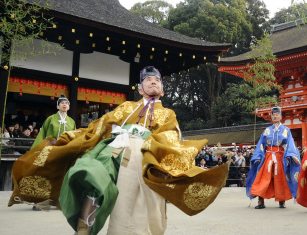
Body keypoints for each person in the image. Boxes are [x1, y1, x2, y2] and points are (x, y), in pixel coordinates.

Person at [8, 66, 229, 235]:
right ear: (140, 88)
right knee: (94, 174)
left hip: (146, 154)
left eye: (157, 80)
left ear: (162, 89)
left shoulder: (168, 113)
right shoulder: (127, 107)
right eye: (148, 80)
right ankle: (84, 227)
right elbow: (101, 124)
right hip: (116, 148)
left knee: (149, 205)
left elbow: (171, 135)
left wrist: (150, 142)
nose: (153, 82)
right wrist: (77, 137)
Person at [246, 106, 301, 209]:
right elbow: (261, 144)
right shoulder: (267, 130)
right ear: (271, 117)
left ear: (281, 116)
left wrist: (290, 155)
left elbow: (290, 144)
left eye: (277, 115)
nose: (275, 117)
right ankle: (260, 201)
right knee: (263, 177)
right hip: (267, 156)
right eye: (273, 115)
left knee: (280, 178)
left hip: (280, 156)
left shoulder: (286, 130)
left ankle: (282, 200)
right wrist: (258, 156)